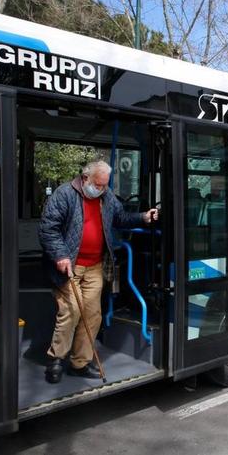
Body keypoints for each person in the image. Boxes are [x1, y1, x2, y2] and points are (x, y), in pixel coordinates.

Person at [39, 160, 158, 384]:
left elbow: (120, 218)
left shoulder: (106, 197)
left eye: (105, 185)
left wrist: (143, 217)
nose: (102, 189)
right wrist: (60, 255)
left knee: (93, 315)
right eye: (98, 184)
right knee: (72, 311)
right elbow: (48, 228)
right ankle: (55, 359)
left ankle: (80, 363)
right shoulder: (64, 194)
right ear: (85, 179)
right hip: (69, 266)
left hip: (94, 266)